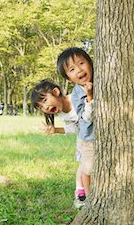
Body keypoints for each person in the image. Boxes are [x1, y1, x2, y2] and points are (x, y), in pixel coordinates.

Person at [30, 79, 86, 208]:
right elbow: (73, 129)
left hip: (91, 134)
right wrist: (55, 130)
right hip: (84, 139)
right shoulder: (62, 114)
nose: (46, 107)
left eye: (45, 101)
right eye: (41, 107)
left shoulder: (76, 98)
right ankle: (80, 192)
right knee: (83, 165)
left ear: (56, 92)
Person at [56, 47, 94, 198]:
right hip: (88, 138)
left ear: (90, 63)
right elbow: (86, 118)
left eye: (81, 63)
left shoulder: (100, 78)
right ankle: (88, 198)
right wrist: (90, 97)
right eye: (72, 69)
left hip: (99, 136)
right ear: (68, 79)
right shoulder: (77, 95)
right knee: (88, 169)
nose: (79, 70)